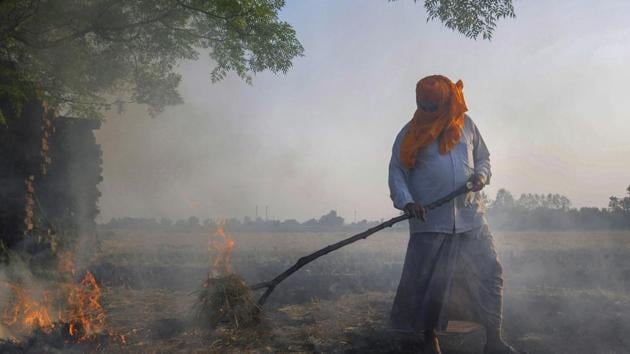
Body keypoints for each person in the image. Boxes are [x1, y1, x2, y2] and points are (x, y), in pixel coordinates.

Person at [388, 75, 523, 354]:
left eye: (432, 106)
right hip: (429, 222)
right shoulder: (410, 133)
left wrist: (481, 176)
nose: (426, 111)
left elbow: (484, 157)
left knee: (490, 272)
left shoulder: (467, 126)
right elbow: (397, 172)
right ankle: (430, 340)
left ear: (448, 102)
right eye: (422, 105)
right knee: (430, 283)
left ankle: (493, 340)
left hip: (471, 216)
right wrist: (408, 202)